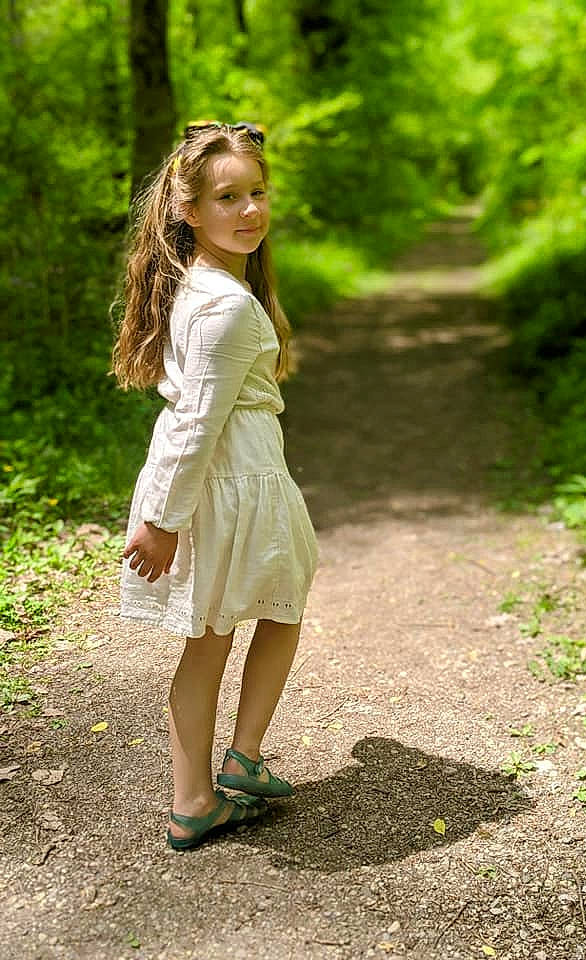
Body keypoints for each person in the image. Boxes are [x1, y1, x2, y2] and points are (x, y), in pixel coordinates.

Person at [110, 121, 319, 851]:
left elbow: (191, 417)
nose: (249, 210)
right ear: (189, 210)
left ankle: (204, 792)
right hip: (236, 482)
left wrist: (165, 508)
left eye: (257, 192)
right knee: (265, 614)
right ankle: (230, 771)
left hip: (221, 479)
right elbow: (197, 419)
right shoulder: (226, 304)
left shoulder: (200, 284)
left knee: (220, 635)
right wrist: (163, 520)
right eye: (227, 197)